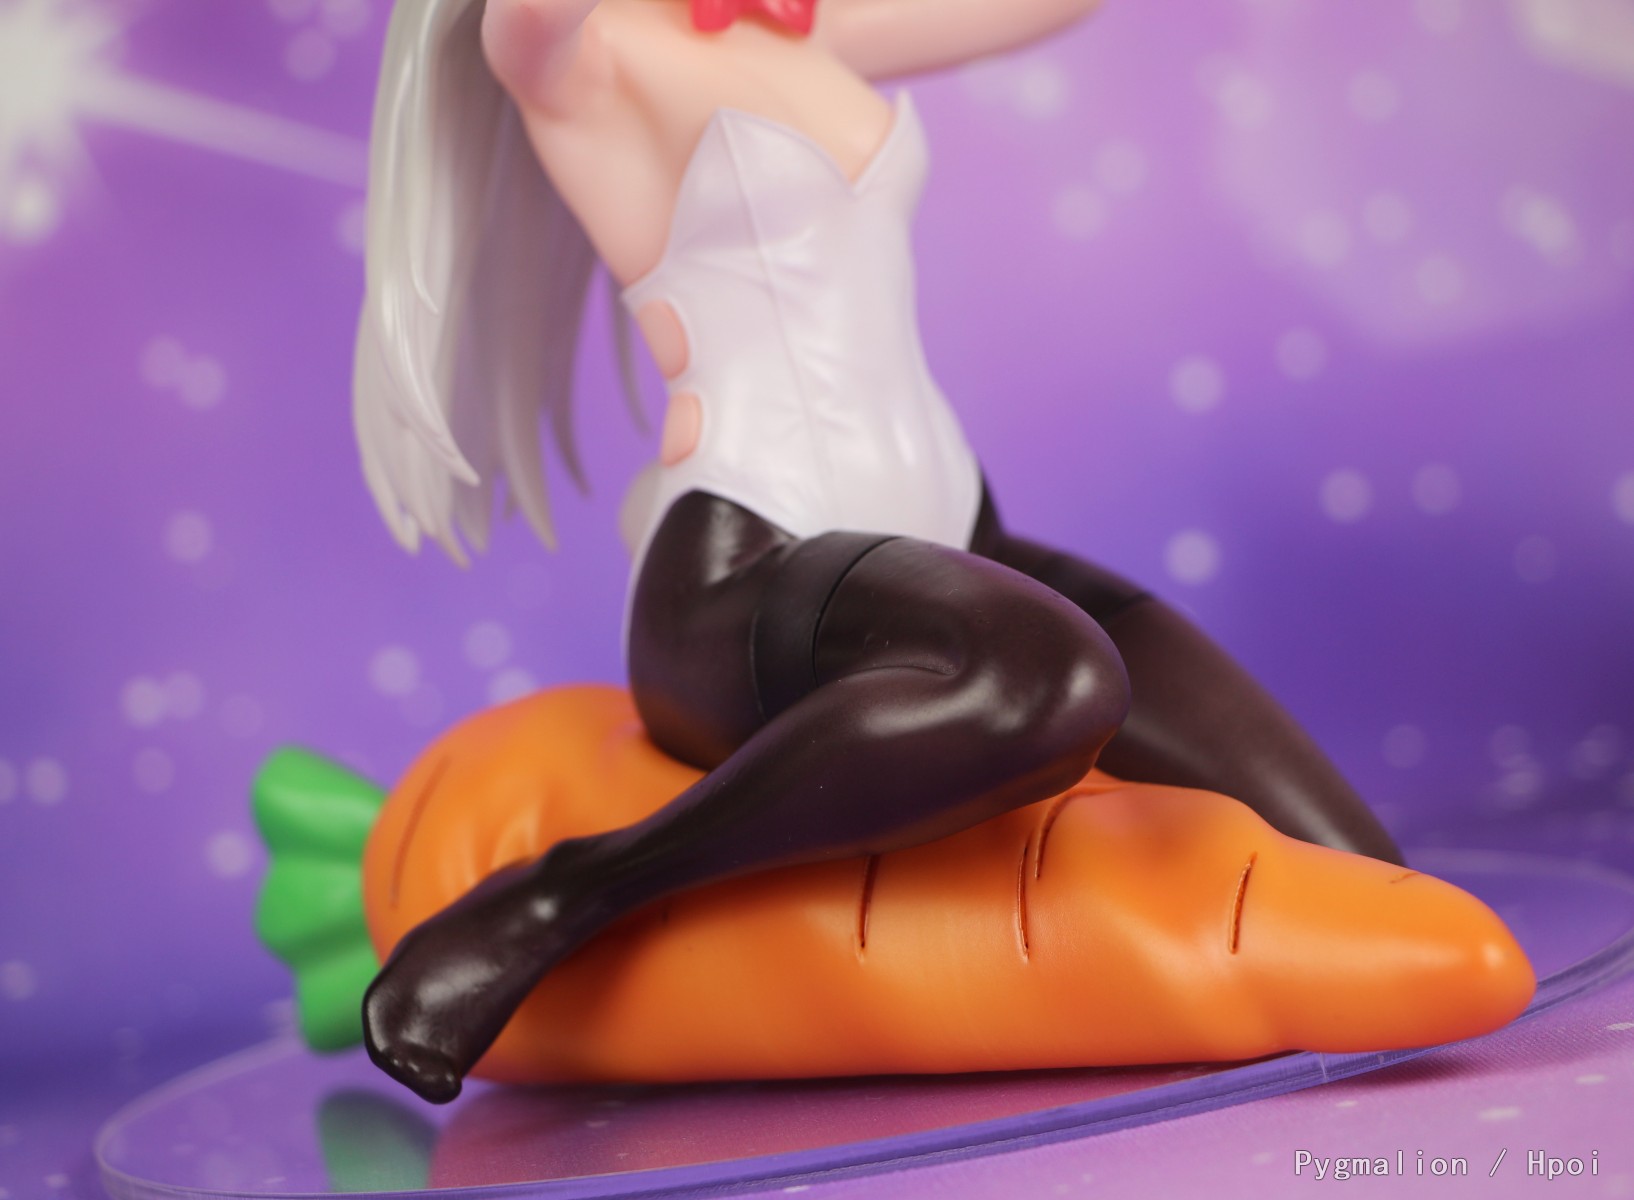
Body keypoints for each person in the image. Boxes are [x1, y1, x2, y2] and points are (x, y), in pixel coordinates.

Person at [353, 0, 1403, 1104]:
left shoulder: (805, 29)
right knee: (1049, 683)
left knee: (1361, 872)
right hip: (750, 566)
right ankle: (566, 894)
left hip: (950, 528)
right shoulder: (577, 57)